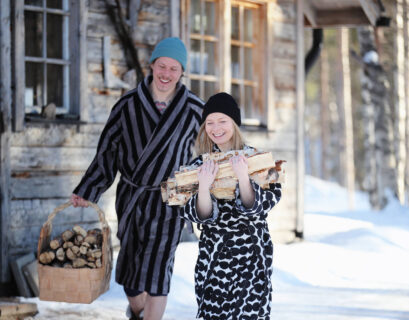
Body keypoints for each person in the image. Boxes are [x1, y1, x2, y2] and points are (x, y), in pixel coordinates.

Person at [70, 37, 204, 320]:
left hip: (170, 201)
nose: (166, 74)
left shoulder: (194, 110)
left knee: (158, 271)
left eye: (174, 68)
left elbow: (209, 150)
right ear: (152, 65)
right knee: (131, 276)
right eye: (162, 66)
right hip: (132, 198)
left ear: (182, 73)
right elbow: (107, 152)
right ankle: (139, 312)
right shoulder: (127, 104)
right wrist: (88, 189)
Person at [179, 92, 282, 319]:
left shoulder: (258, 160)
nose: (216, 128)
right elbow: (200, 216)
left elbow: (261, 206)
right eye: (210, 122)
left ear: (234, 124)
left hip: (252, 254)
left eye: (222, 121)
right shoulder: (198, 165)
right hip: (215, 253)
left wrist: (243, 178)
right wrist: (204, 187)